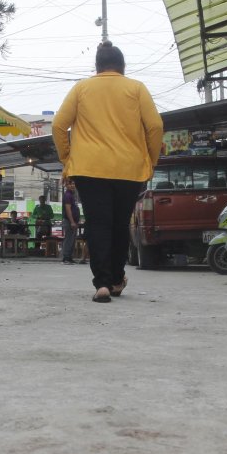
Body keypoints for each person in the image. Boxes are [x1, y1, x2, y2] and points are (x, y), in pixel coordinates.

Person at [52, 41, 163, 303]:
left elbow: (58, 126)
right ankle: (116, 279)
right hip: (128, 168)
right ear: (122, 67)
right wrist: (151, 159)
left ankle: (101, 284)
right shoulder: (136, 88)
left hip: (88, 168)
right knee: (119, 225)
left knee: (98, 224)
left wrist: (68, 157)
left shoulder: (81, 88)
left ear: (97, 67)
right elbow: (156, 126)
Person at [60, 179, 81, 265]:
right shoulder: (67, 195)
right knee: (69, 239)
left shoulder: (72, 195)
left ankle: (69, 257)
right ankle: (66, 258)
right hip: (69, 221)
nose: (72, 185)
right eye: (70, 184)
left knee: (72, 240)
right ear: (66, 185)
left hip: (73, 221)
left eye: (73, 184)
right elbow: (68, 209)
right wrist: (72, 221)